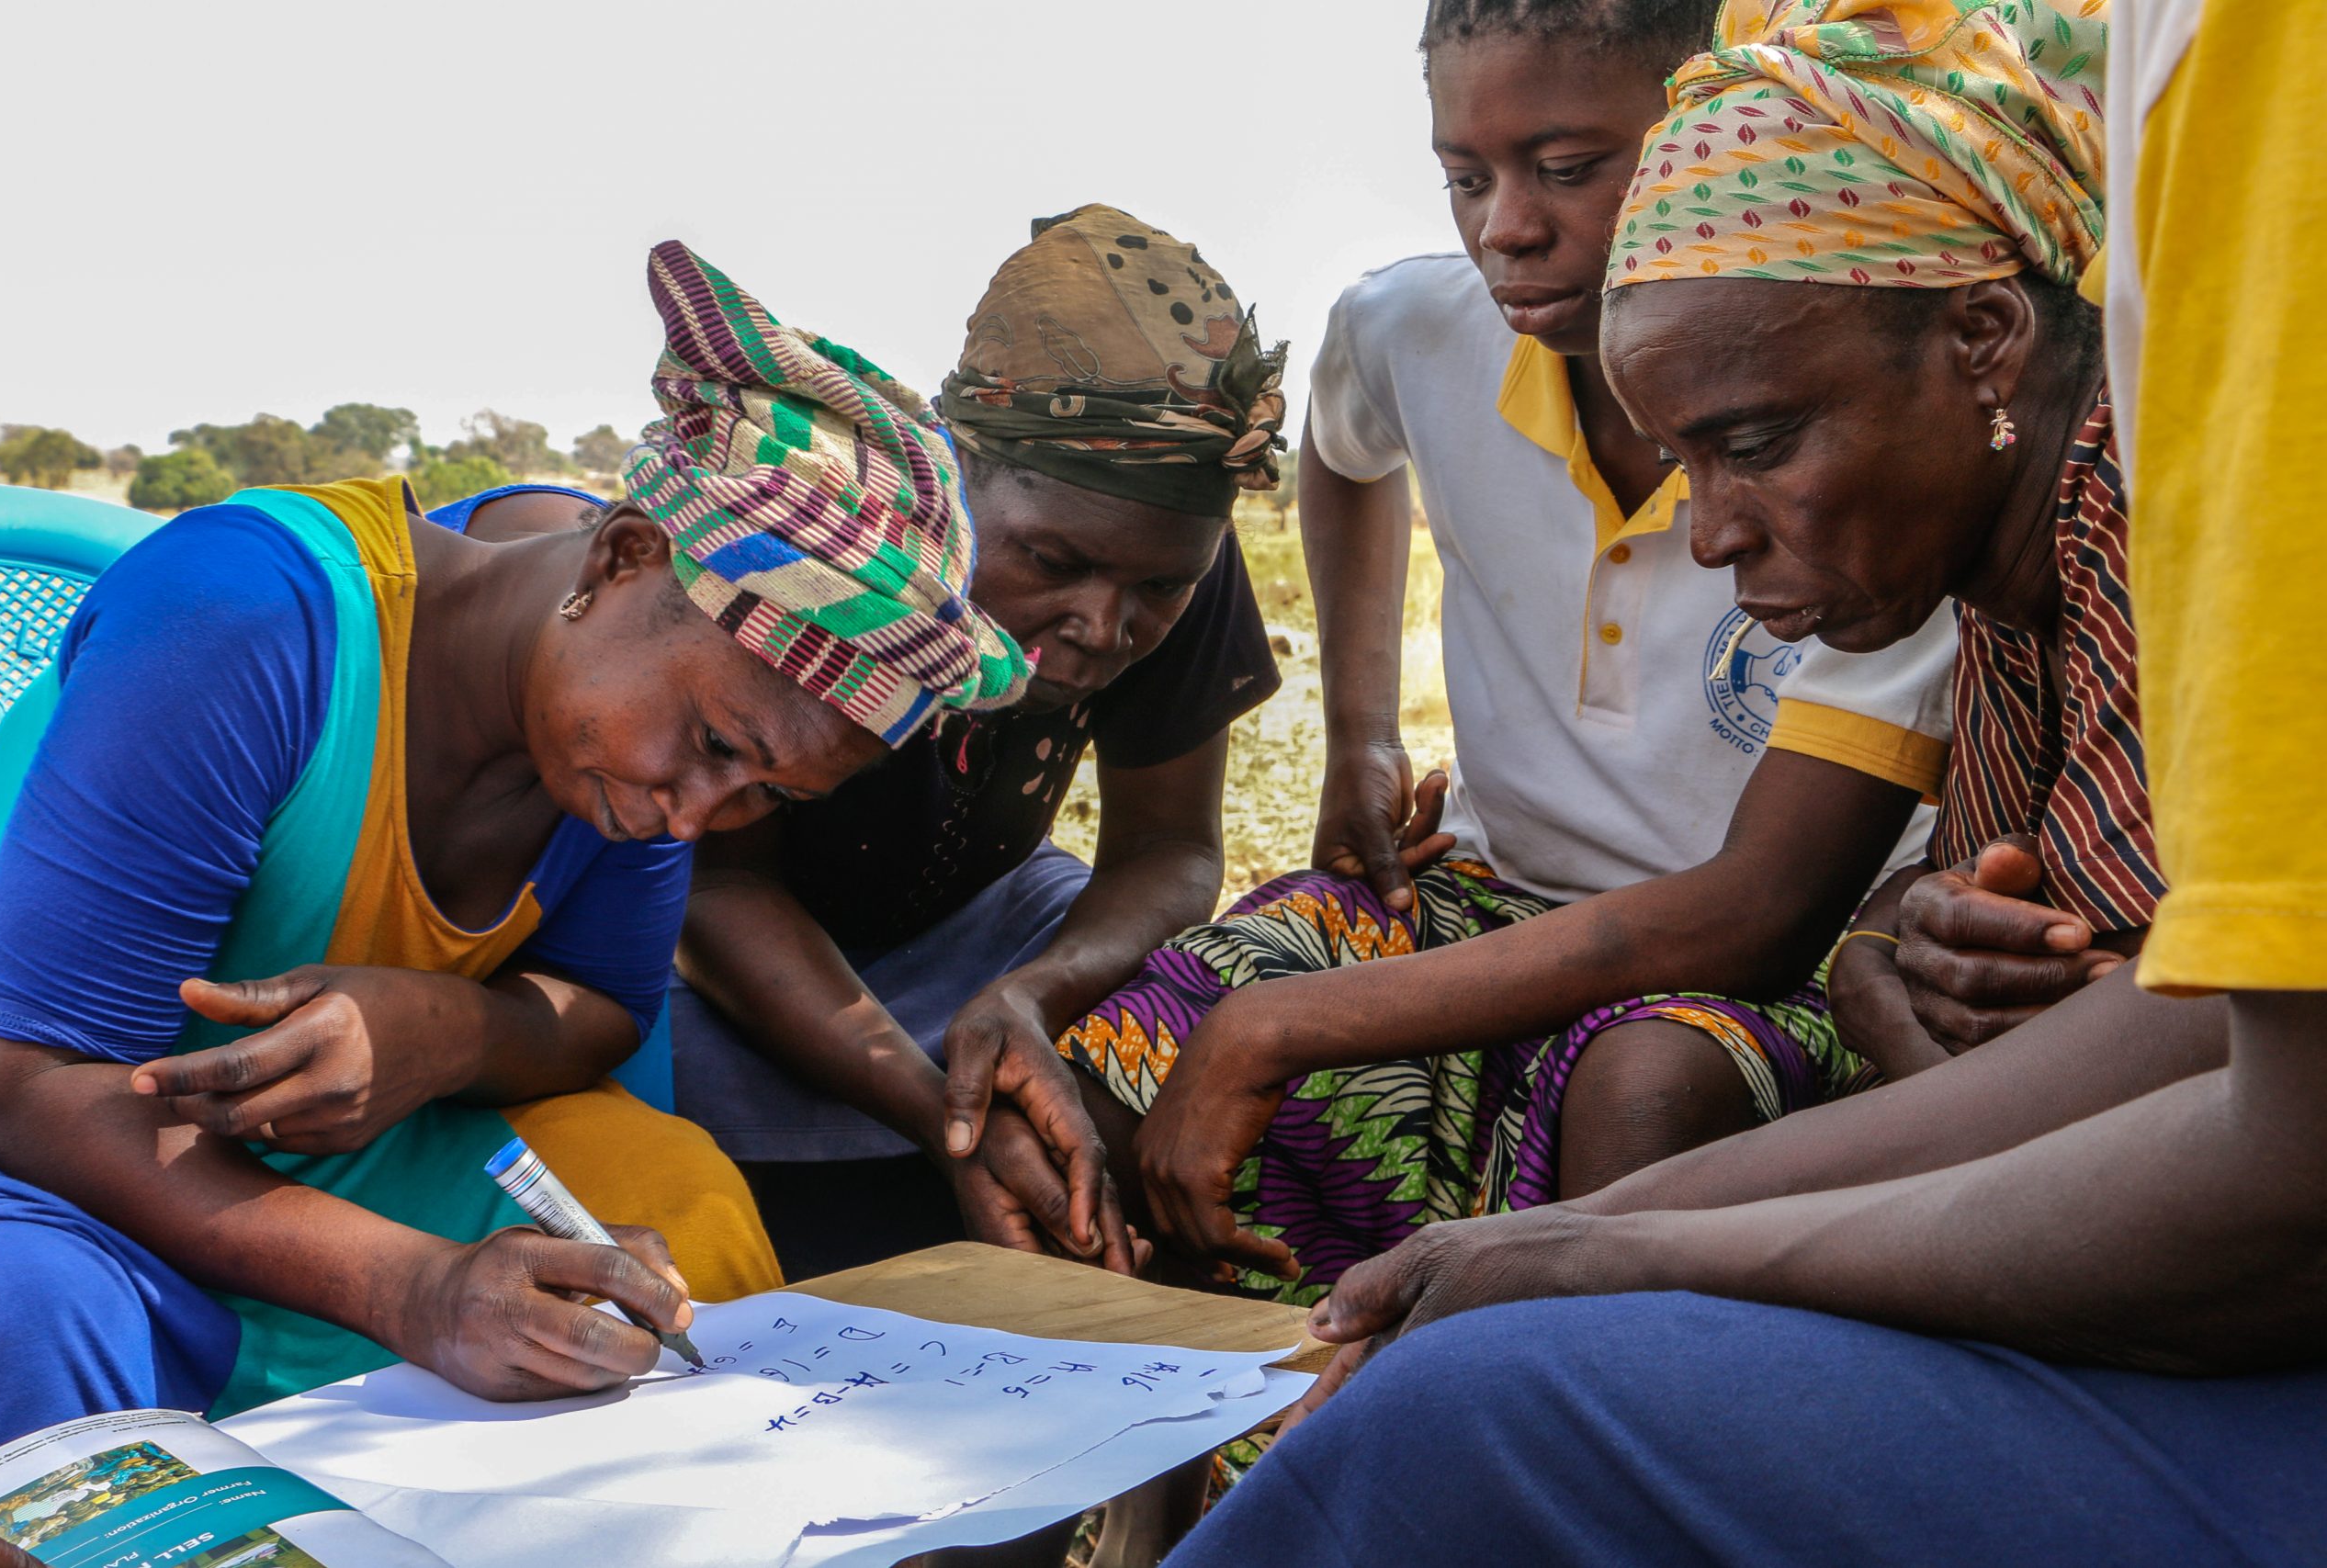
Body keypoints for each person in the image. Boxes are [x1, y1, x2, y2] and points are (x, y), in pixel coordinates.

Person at [1169, 3, 2327, 1561]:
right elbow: (2036, 978)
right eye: (1688, 463)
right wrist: (1892, 955)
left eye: (1758, 444)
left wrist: (1612, 1244)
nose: (1710, 533)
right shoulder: (2002, 600)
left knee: (1476, 1407)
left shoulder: (2161, 548)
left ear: (1985, 340)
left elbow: (2229, 1070)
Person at [0, 240, 1030, 1450]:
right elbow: (22, 1080)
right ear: (622, 558)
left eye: (766, 795)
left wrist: (442, 1030)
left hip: (353, 1161)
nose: (693, 817)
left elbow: (607, 1006)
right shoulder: (251, 618)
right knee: (24, 1314)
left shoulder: (620, 760)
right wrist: (412, 1288)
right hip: (71, 1166)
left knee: (675, 1208)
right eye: (712, 743)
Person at [1040, 0, 1958, 1303]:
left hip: (1778, 962)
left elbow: (1761, 913)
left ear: (1708, 137)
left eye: (1569, 168)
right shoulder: (1423, 330)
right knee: (1141, 1040)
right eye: (1465, 178)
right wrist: (1360, 733)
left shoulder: (1838, 435)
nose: (1505, 228)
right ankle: (1190, 1418)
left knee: (1645, 1085)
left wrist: (1284, 1022)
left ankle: (1533, 1410)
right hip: (1483, 892)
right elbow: (1343, 445)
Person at [670, 205, 1284, 1279]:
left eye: (1159, 587)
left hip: (989, 931)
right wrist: (939, 1109)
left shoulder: (1176, 561)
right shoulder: (834, 549)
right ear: (952, 485)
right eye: (1051, 563)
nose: (1105, 625)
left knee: (1189, 1009)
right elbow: (719, 887)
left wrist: (1032, 994)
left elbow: (1168, 850)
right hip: (736, 960)